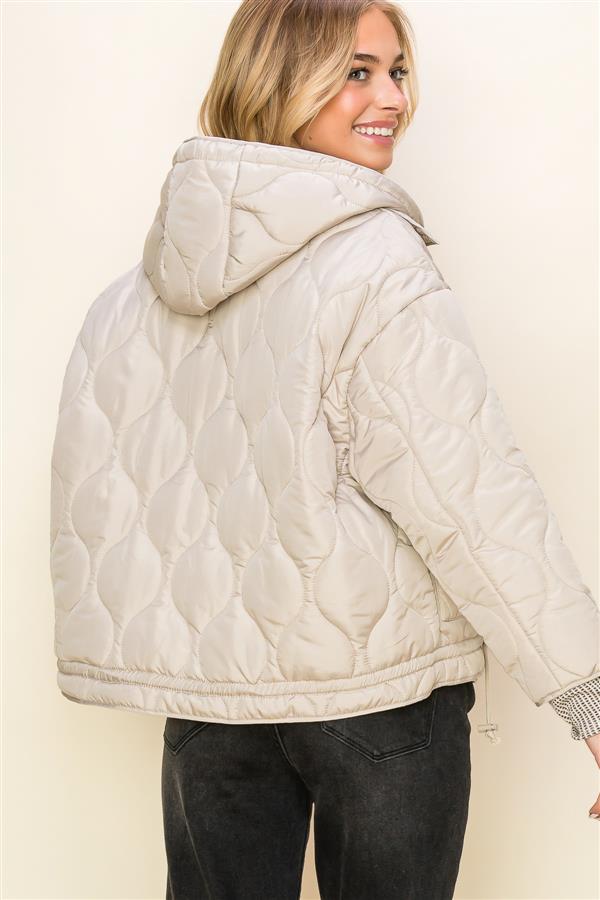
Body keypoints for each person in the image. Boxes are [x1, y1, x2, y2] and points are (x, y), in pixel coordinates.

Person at [49, 1, 600, 897]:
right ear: (277, 80)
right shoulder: (375, 265)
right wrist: (588, 694)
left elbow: (113, 503)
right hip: (376, 700)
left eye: (397, 71)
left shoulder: (132, 296)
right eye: (355, 72)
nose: (393, 99)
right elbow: (470, 496)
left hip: (212, 703)